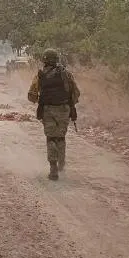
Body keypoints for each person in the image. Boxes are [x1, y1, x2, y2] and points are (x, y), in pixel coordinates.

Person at [27, 49, 80, 181]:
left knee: (51, 138)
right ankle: (61, 164)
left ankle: (53, 168)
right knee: (61, 137)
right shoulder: (66, 74)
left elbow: (32, 95)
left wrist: (40, 99)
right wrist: (70, 105)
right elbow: (76, 93)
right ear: (57, 59)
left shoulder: (40, 75)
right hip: (64, 109)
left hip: (48, 110)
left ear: (45, 60)